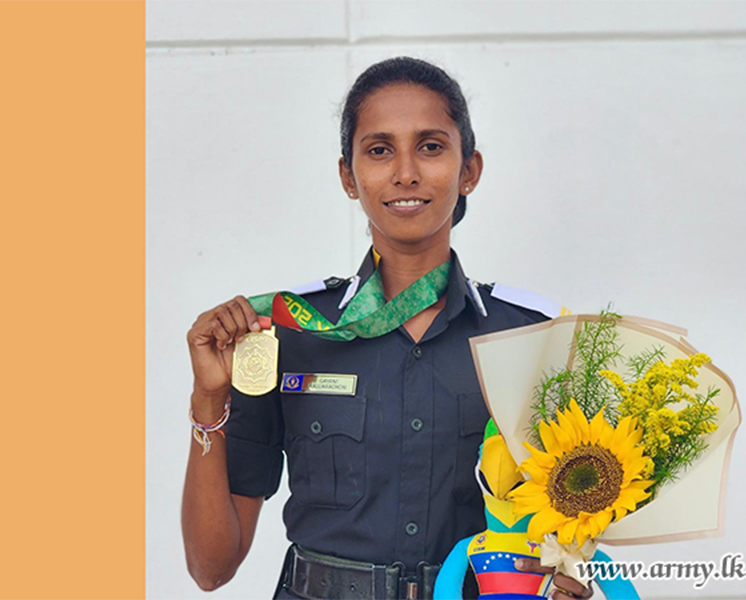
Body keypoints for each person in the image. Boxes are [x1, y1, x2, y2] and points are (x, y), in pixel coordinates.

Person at [182, 56, 594, 600]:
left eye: (430, 146)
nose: (406, 172)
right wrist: (210, 400)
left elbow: (566, 538)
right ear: (348, 177)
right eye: (379, 150)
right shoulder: (286, 334)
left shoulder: (532, 340)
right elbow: (212, 568)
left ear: (469, 170)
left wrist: (563, 580)